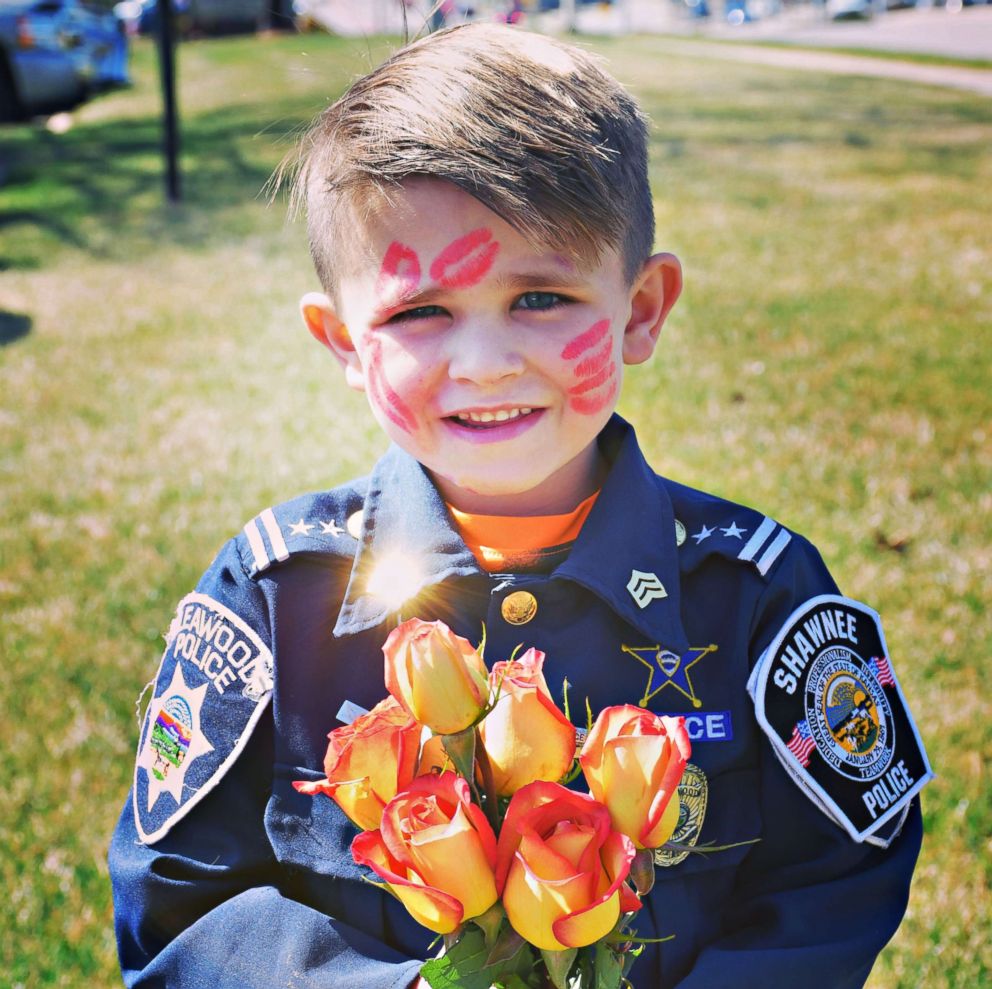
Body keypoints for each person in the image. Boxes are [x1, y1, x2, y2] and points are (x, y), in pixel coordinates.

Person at [108, 23, 931, 988]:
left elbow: (837, 879)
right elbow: (176, 902)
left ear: (641, 309)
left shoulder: (757, 596)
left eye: (541, 296)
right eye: (420, 312)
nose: (487, 362)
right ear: (341, 342)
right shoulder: (274, 597)